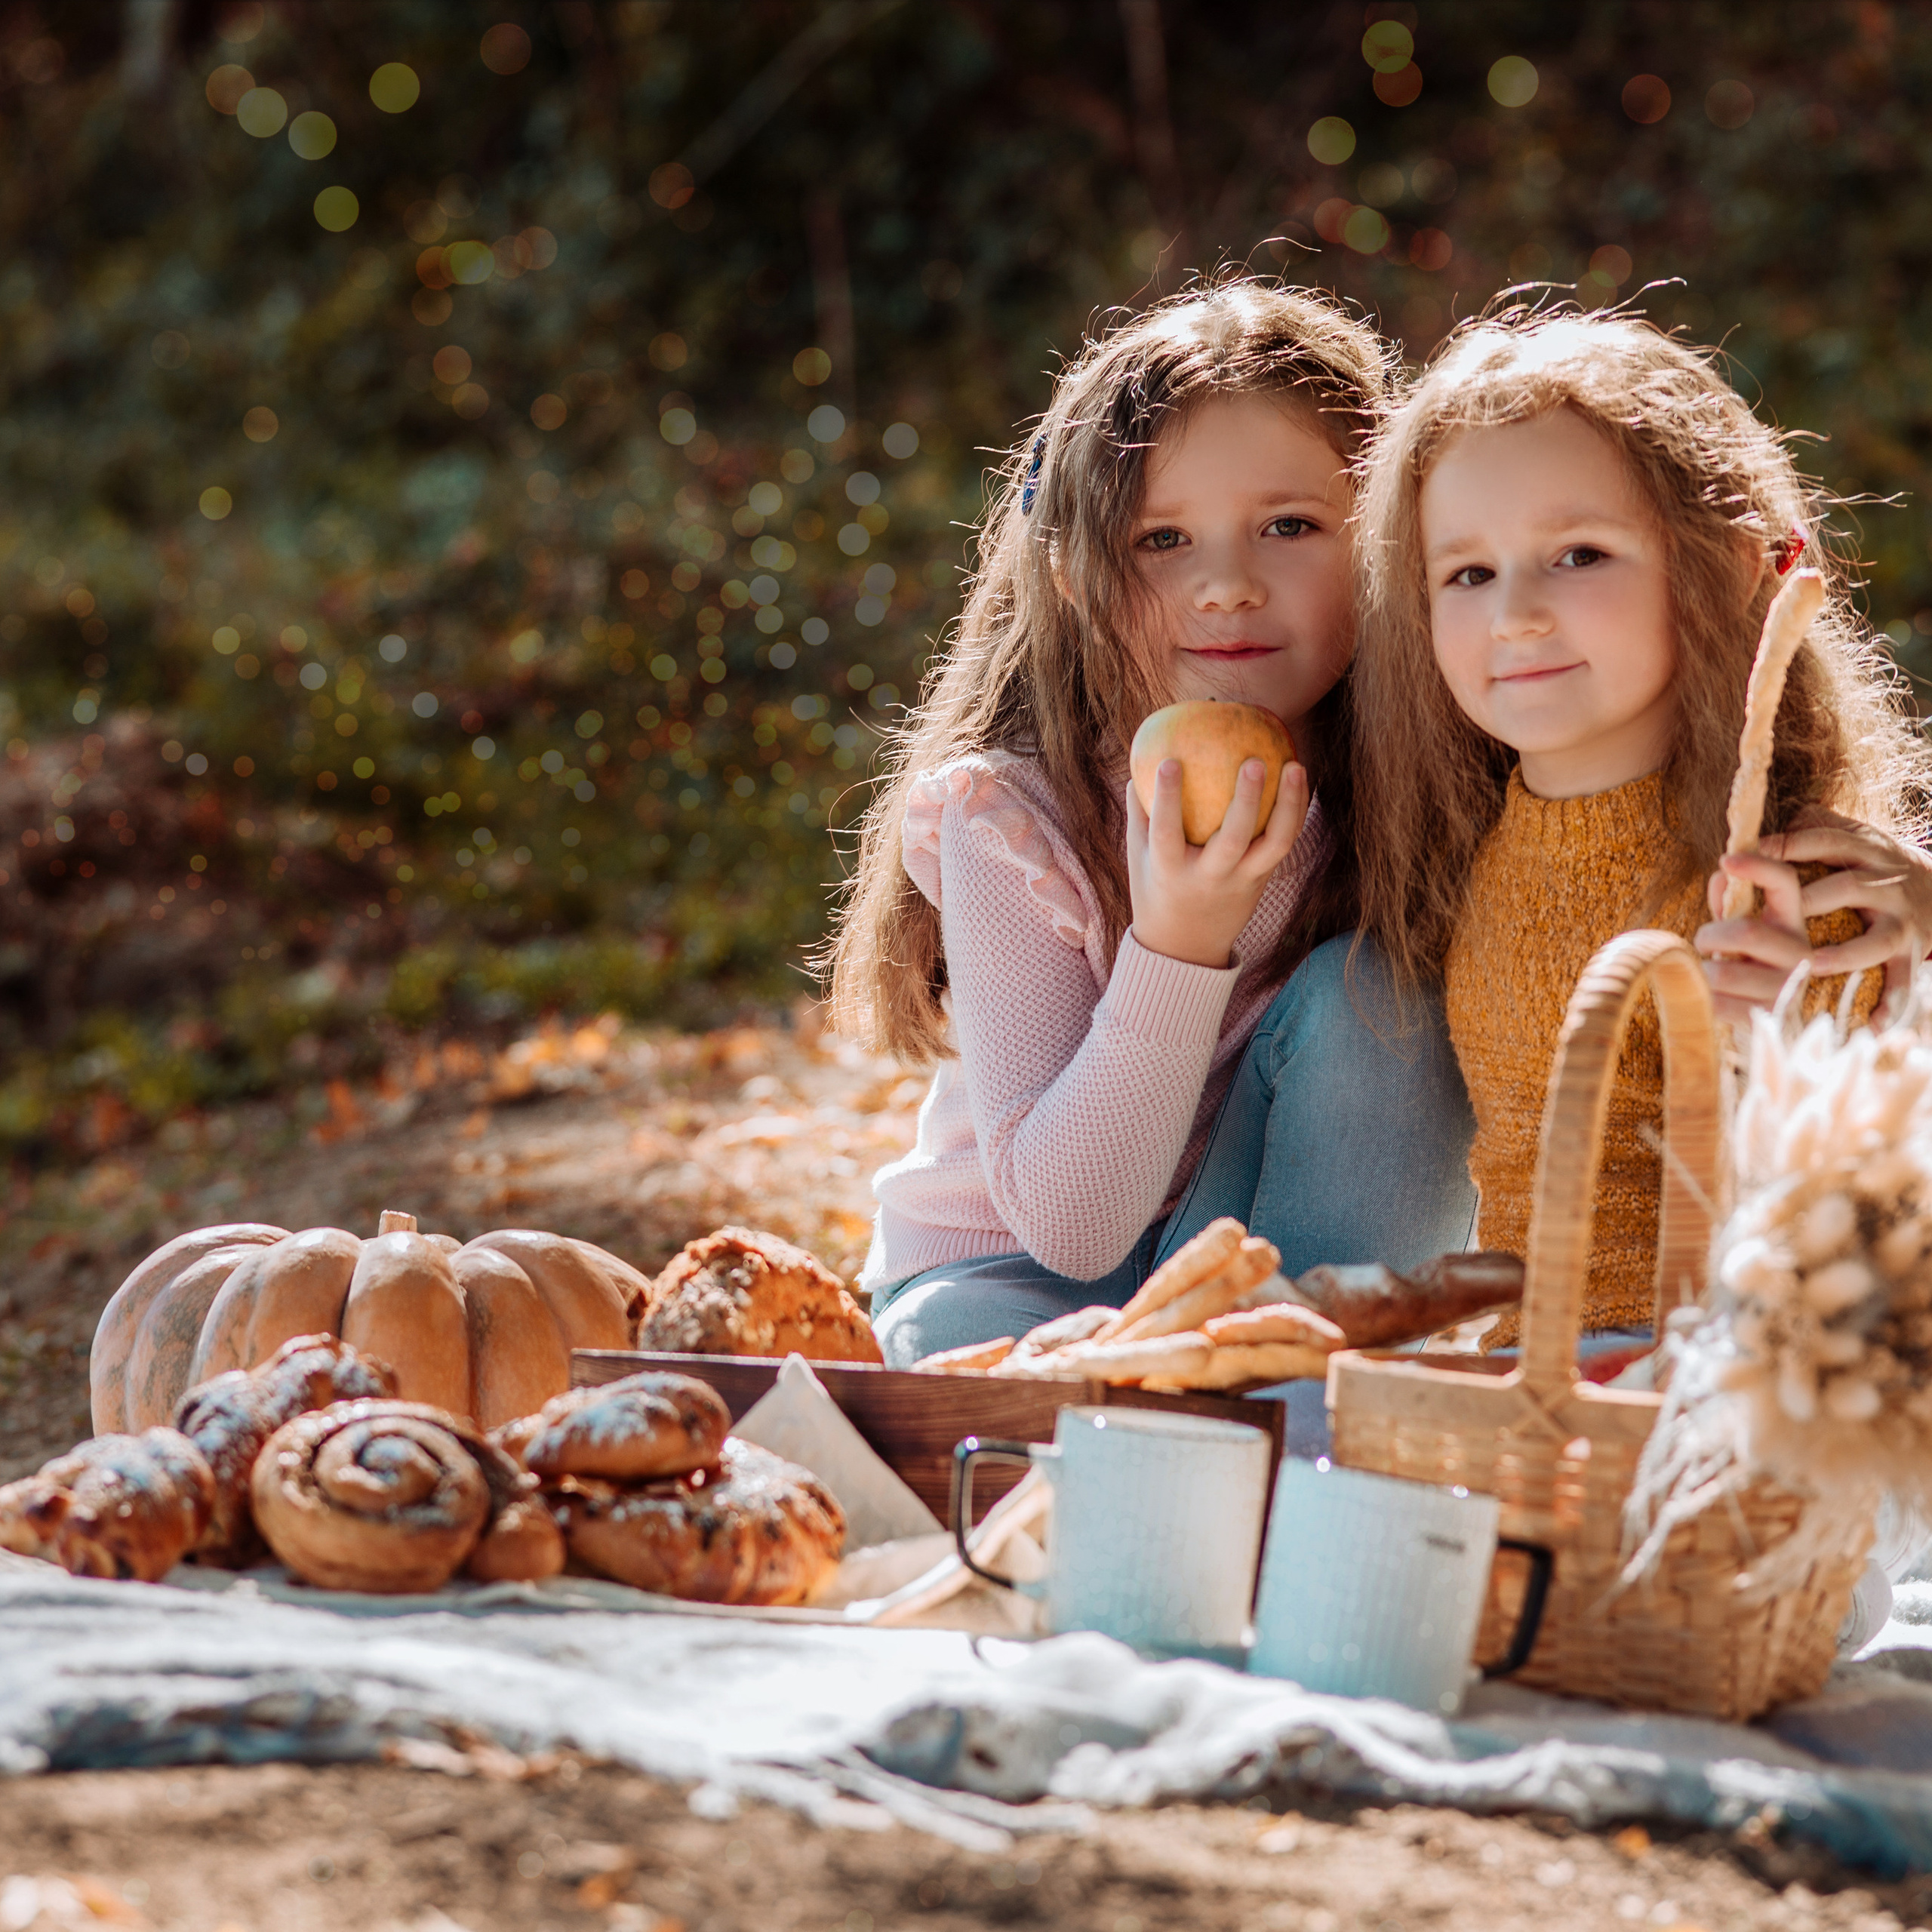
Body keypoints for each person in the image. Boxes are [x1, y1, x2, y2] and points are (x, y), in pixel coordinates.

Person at [826, 279, 1478, 1372]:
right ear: (1077, 579)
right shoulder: (1016, 821)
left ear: (1388, 545)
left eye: (1289, 526)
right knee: (970, 1364)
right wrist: (1178, 942)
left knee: (1386, 996)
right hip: (1013, 1274)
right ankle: (1188, 1439)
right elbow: (1074, 1234)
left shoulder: (1418, 787)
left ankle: (1302, 1389)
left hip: (1269, 1256)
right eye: (1162, 539)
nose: (1226, 584)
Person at [1350, 308, 1932, 1352]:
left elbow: (1860, 1233)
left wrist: (1780, 1058)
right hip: (1513, 1385)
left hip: (1698, 1389)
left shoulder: (1787, 888)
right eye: (1468, 574)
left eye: (1579, 554)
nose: (1515, 613)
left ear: (1734, 562)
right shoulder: (1461, 839)